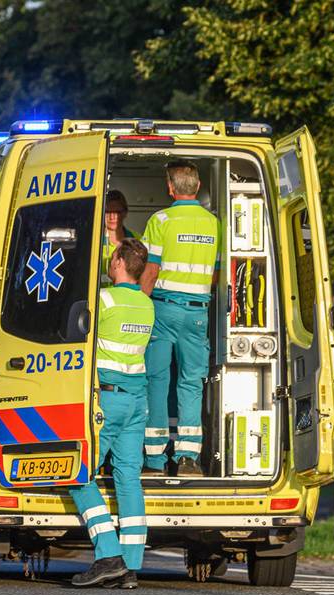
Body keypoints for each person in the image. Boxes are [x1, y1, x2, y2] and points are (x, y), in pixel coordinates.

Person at [70, 238, 154, 589]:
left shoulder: (103, 299)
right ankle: (131, 566)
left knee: (79, 474)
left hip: (108, 401)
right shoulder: (147, 305)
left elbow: (76, 335)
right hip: (137, 401)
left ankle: (108, 555)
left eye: (112, 256)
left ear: (119, 261)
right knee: (128, 479)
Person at [139, 161, 220, 477]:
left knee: (157, 381)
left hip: (163, 309)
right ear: (197, 187)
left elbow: (151, 268)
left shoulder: (161, 220)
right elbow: (215, 274)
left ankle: (155, 461)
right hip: (197, 311)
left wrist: (139, 303)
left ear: (170, 188)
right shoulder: (213, 223)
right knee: (191, 384)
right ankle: (188, 458)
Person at [99, 190, 135, 286]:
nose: (112, 217)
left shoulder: (136, 240)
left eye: (117, 212)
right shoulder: (94, 241)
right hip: (101, 298)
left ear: (125, 213)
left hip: (125, 297)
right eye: (108, 212)